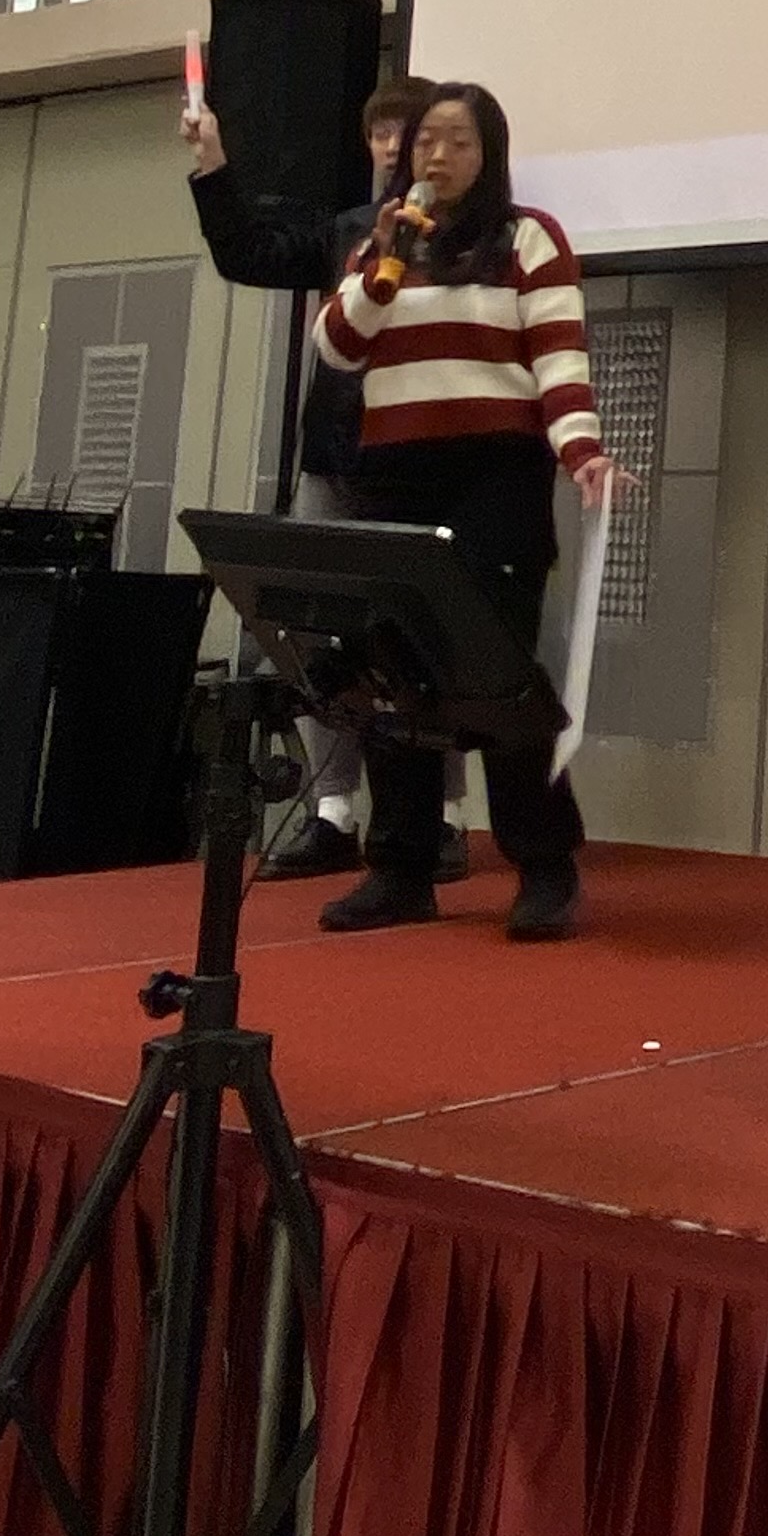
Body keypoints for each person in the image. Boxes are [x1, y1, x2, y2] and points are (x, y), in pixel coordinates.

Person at [311, 83, 625, 946]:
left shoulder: (527, 238)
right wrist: (382, 266)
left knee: (497, 672)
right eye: (426, 141)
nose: (438, 157)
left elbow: (558, 360)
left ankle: (545, 863)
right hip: (394, 472)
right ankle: (401, 868)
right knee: (394, 671)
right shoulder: (382, 241)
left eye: (459, 141)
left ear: (489, 157)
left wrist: (582, 453)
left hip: (497, 474)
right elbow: (338, 349)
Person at [182, 67, 470, 884]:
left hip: (422, 462)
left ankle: (443, 818)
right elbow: (249, 252)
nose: (388, 147)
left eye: (403, 133)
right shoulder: (346, 227)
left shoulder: (467, 239)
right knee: (319, 632)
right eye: (378, 133)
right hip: (335, 454)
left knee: (428, 637)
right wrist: (213, 163)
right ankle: (333, 812)